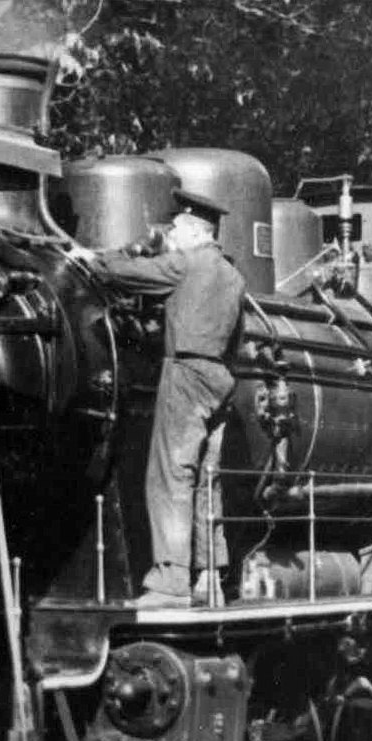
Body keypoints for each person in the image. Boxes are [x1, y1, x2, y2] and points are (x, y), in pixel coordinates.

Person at [74, 190, 247, 608]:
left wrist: (93, 257)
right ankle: (210, 576)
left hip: (185, 372)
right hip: (220, 376)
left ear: (194, 232)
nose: (172, 239)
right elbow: (236, 339)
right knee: (207, 479)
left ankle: (170, 583)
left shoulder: (187, 263)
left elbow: (123, 273)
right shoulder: (233, 276)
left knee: (170, 475)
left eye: (176, 232)